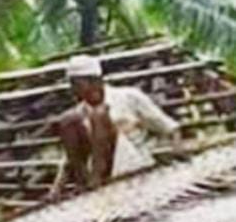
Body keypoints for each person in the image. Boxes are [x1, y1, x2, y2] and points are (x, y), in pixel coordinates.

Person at [52, 54, 182, 197]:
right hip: (98, 174)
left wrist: (177, 160)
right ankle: (89, 185)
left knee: (99, 116)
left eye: (77, 84)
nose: (73, 89)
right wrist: (56, 189)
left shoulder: (129, 97)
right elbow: (70, 158)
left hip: (132, 164)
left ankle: (96, 182)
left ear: (94, 80)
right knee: (69, 120)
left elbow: (171, 128)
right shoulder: (79, 113)